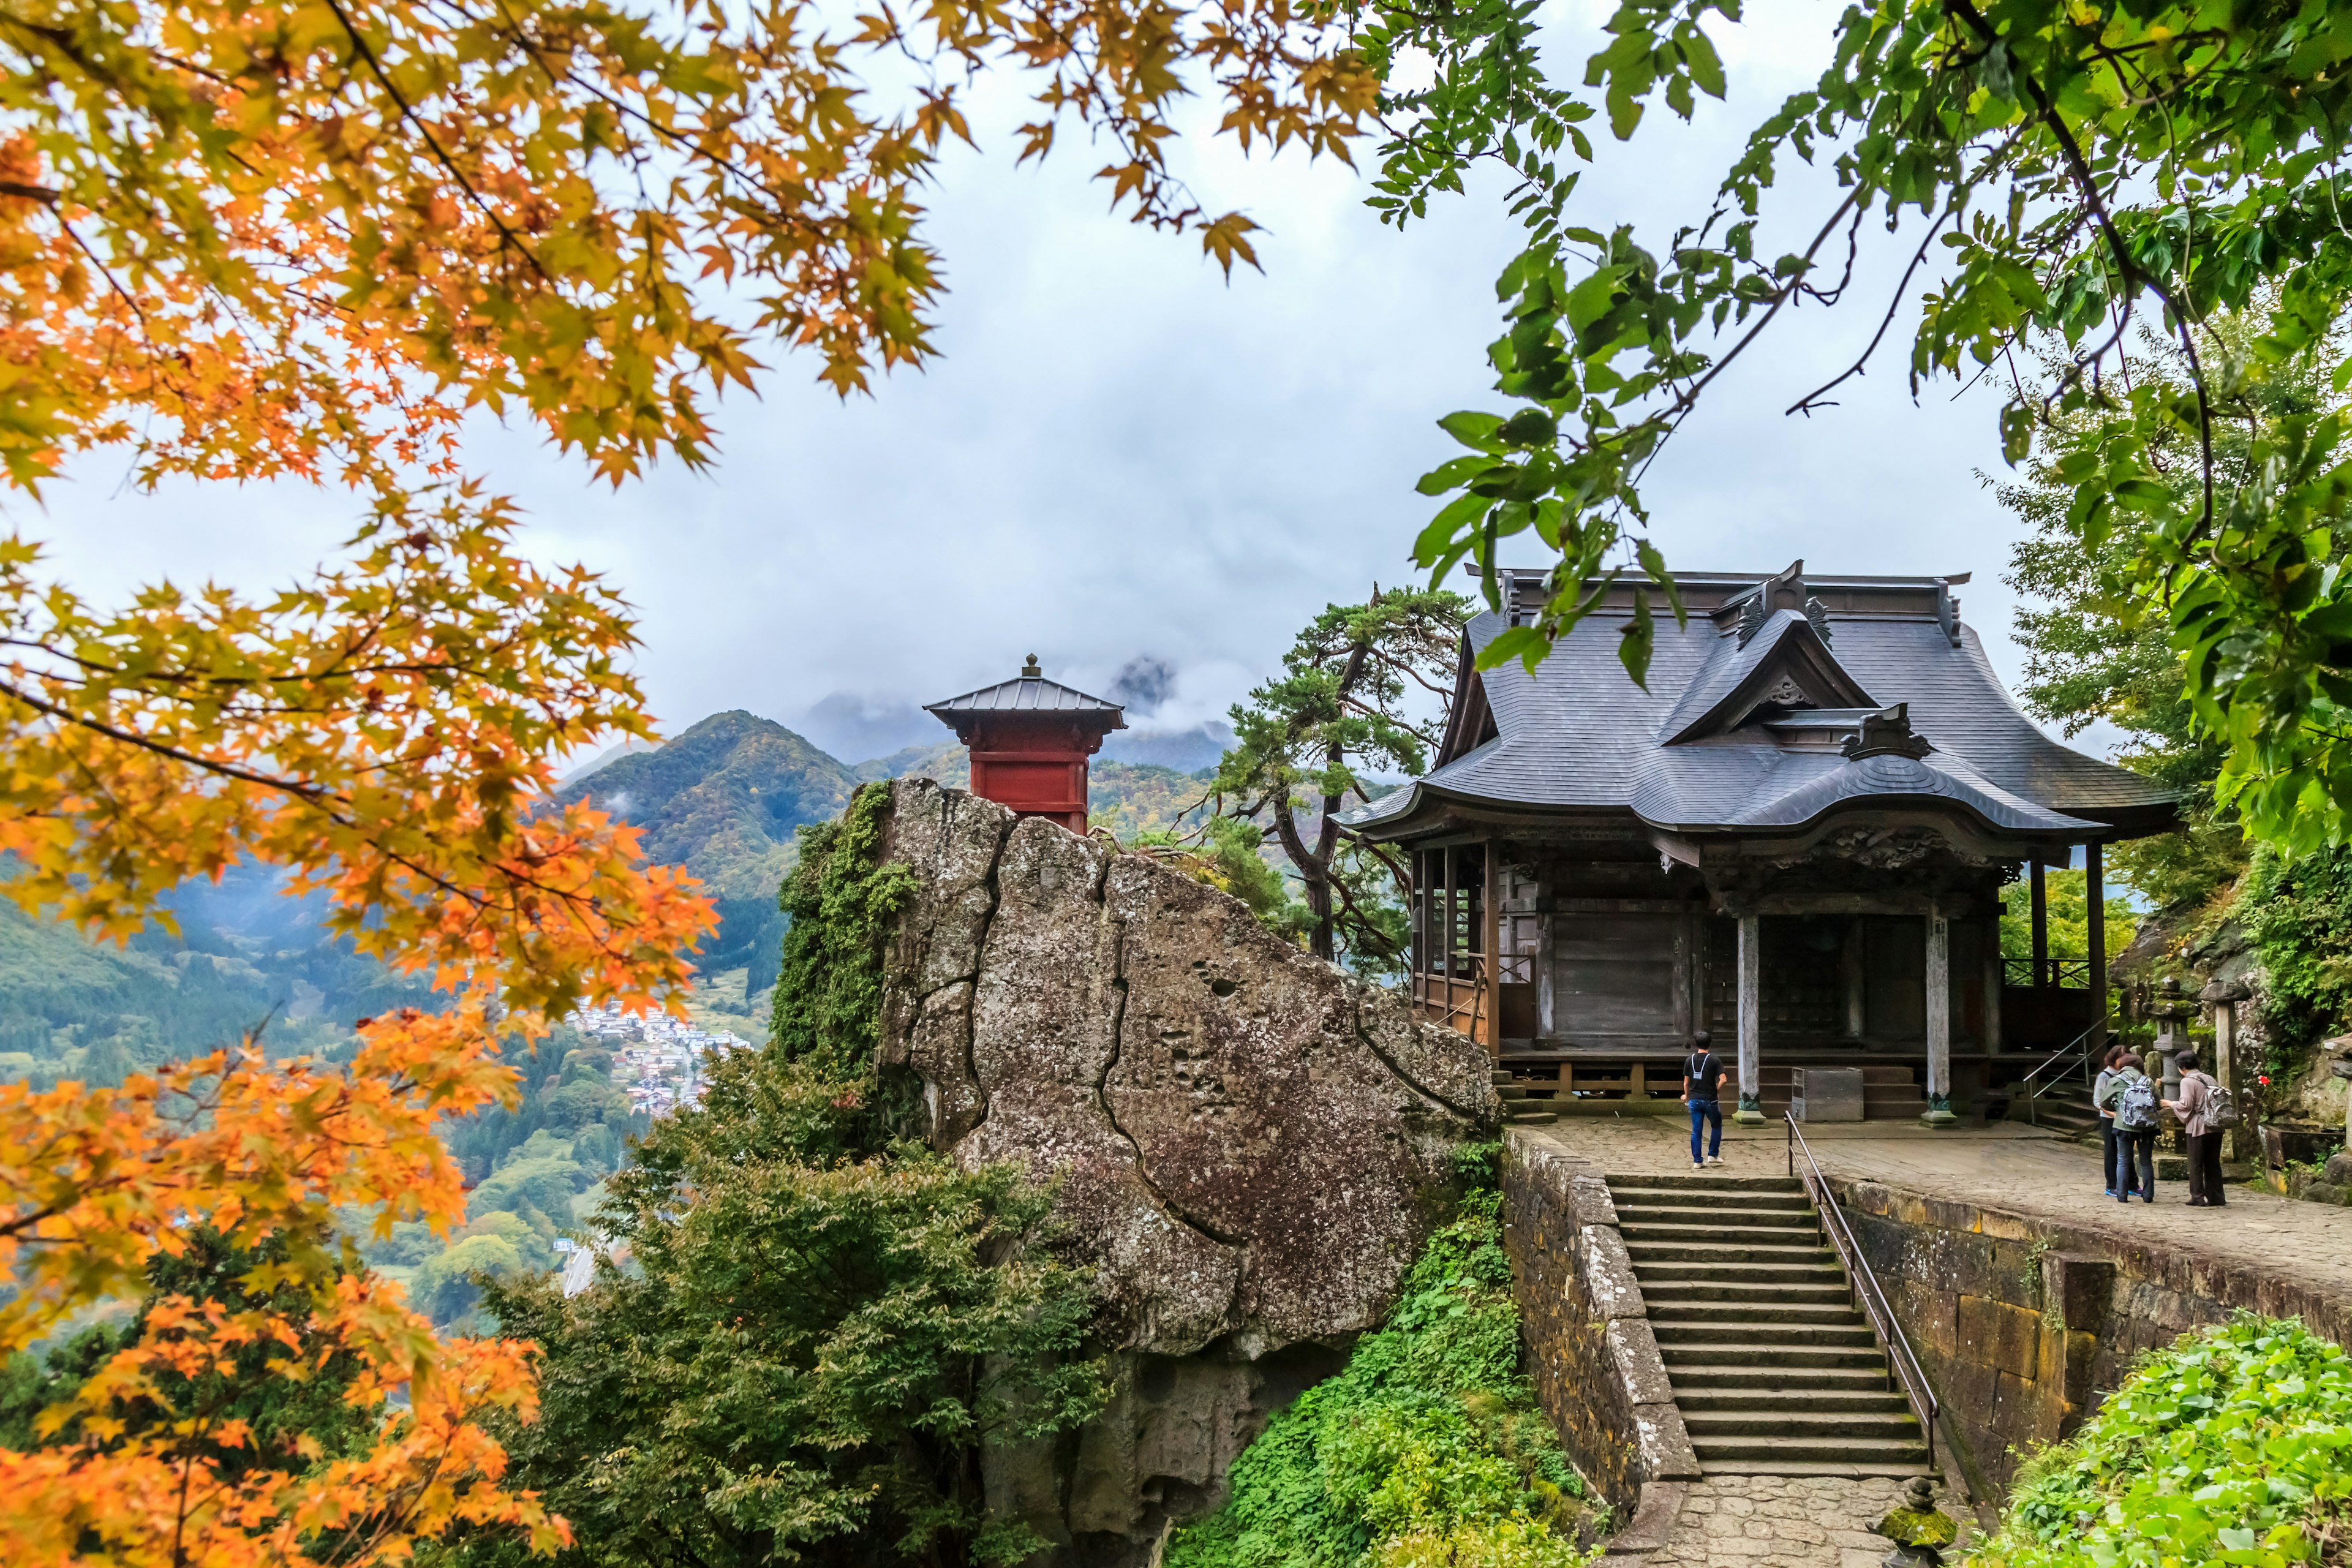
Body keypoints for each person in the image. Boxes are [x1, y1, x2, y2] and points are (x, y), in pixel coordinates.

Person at [2167, 1050, 2230, 1207]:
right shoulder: (2209, 1078)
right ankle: (2217, 1197)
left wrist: (2170, 1104)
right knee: (2213, 1163)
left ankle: (2197, 1196)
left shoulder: (2187, 1081)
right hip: (2216, 1125)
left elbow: (2186, 1105)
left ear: (2181, 1067)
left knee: (2196, 1163)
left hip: (2198, 1126)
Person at [2101, 1052, 2159, 1202]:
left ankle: (2122, 1195)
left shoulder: (2116, 1081)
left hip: (2124, 1126)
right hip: (2148, 1126)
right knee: (2146, 1161)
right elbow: (2158, 1103)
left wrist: (2118, 1108)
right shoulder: (2148, 1080)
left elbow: (2104, 1102)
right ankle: (2148, 1196)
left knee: (2123, 1160)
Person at [1683, 1030, 1728, 1169]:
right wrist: (1717, 1089)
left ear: (1696, 1044)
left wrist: (1686, 1096)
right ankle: (1713, 1154)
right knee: (1716, 1125)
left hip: (1694, 1100)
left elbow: (1686, 1083)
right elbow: (1724, 1079)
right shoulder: (1714, 1060)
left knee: (1696, 1130)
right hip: (1710, 1099)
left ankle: (1697, 1161)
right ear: (1710, 1043)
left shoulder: (1689, 1059)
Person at [2091, 1043, 2129, 1198]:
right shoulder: (2104, 1077)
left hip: (2125, 1117)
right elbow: (2097, 1101)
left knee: (2126, 1152)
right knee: (2112, 1150)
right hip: (2109, 1118)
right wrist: (2112, 1114)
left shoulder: (2127, 1075)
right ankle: (2112, 1184)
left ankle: (2129, 1184)